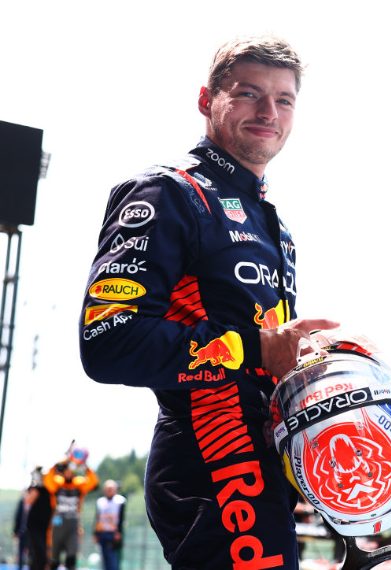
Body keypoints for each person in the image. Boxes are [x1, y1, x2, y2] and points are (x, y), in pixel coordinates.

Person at [79, 35, 339, 569]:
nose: (269, 112)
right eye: (249, 94)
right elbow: (108, 342)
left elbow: (267, 350)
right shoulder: (167, 193)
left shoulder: (273, 223)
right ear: (207, 100)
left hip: (263, 459)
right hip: (209, 460)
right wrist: (256, 348)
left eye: (284, 100)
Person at [43, 452, 99, 570]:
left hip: (73, 521)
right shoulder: (57, 483)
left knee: (71, 554)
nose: (68, 473)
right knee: (54, 553)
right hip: (58, 520)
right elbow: (47, 479)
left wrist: (85, 466)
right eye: (66, 470)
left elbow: (93, 482)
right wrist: (58, 464)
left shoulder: (78, 484)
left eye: (70, 470)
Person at [94, 480, 126, 570]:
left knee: (113, 559)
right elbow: (97, 517)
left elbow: (121, 518)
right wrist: (95, 533)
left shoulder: (119, 501)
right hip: (102, 532)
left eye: (111, 489)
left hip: (113, 534)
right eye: (107, 489)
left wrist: (119, 532)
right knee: (104, 559)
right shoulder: (100, 502)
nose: (109, 491)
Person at [25, 467, 52, 570]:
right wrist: (35, 485)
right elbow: (28, 501)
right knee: (38, 553)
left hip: (46, 527)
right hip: (35, 527)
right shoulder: (36, 489)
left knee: (44, 553)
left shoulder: (51, 489)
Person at [13, 487, 32, 568]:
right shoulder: (21, 503)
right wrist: (15, 531)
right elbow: (17, 517)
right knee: (21, 552)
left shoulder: (34, 504)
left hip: (31, 533)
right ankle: (20, 567)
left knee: (31, 552)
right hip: (22, 532)